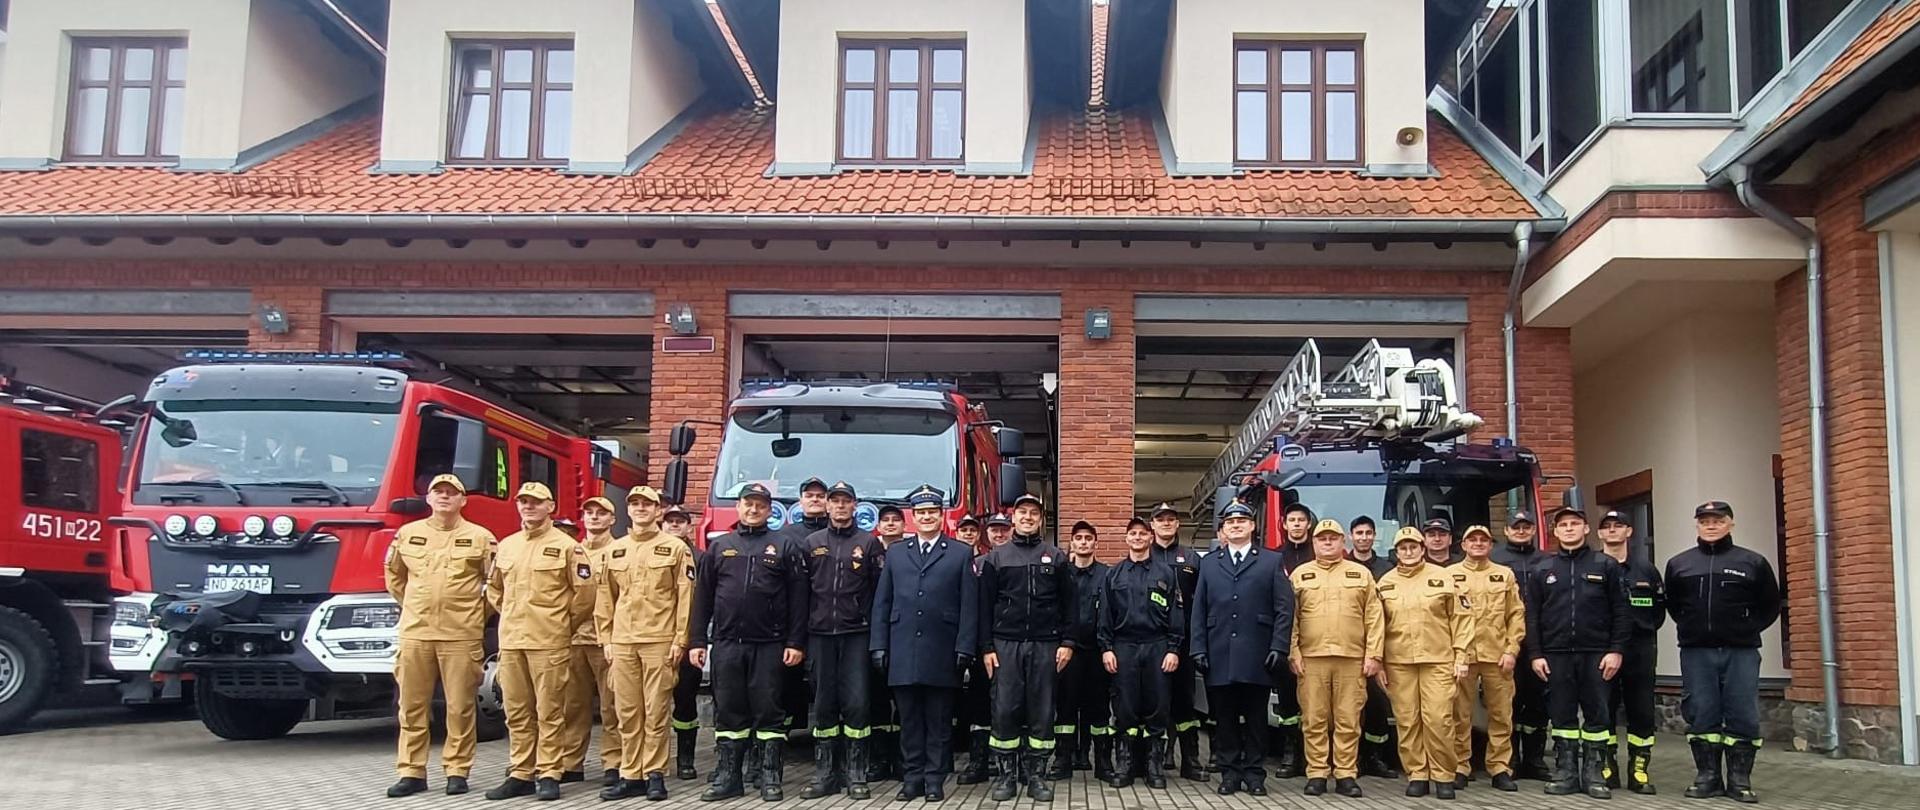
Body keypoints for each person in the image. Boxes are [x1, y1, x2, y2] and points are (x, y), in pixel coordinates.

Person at [689, 483, 809, 802]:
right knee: (729, 712)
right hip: (727, 643)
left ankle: (770, 777)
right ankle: (730, 777)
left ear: (769, 510)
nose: (753, 510)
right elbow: (702, 599)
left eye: (760, 505)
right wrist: (697, 640)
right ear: (739, 507)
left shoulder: (784, 546)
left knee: (769, 711)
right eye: (748, 504)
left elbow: (799, 601)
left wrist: (795, 642)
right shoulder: (720, 546)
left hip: (769, 644)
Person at [384, 474, 498, 798]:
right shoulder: (408, 534)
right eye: (439, 492)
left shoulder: (480, 538)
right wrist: (412, 605)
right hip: (416, 633)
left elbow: (495, 583)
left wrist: (477, 613)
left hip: (460, 634)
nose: (445, 497)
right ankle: (411, 771)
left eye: (452, 493)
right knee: (411, 705)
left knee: (460, 707)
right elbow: (394, 576)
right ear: (429, 499)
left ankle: (457, 770)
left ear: (463, 500)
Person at [485, 482, 597, 801]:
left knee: (550, 708)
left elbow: (585, 594)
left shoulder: (567, 547)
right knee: (517, 709)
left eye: (536, 502)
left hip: (549, 640)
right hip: (512, 640)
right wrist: (508, 611)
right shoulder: (507, 545)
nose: (528, 507)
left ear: (550, 506)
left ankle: (549, 771)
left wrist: (562, 623)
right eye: (523, 502)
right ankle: (521, 771)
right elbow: (494, 587)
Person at [1664, 501, 1780, 804]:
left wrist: (1743, 628)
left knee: (1742, 714)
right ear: (1697, 525)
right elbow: (1675, 607)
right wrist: (1695, 627)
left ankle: (1740, 780)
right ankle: (1708, 777)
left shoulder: (1752, 562)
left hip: (1740, 650)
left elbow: (1770, 606)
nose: (1711, 525)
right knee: (1702, 712)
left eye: (1717, 519)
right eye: (1704, 520)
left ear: (1730, 523)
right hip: (1696, 651)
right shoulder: (1679, 564)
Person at [871, 485, 979, 802]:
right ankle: (912, 778)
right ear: (913, 517)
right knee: (909, 721)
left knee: (939, 722)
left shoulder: (960, 552)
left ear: (941, 515)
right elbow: (882, 602)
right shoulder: (896, 553)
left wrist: (965, 648)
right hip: (903, 648)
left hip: (942, 651)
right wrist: (879, 645)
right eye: (921, 513)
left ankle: (934, 779)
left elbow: (969, 607)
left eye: (932, 511)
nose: (927, 517)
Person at [1523, 506, 1629, 800]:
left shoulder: (1605, 565)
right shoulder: (1542, 569)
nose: (1569, 528)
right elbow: (1531, 616)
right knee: (1562, 716)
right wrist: (1535, 654)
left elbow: (1621, 612)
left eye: (1575, 523)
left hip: (1597, 654)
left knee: (1598, 716)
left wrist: (1616, 650)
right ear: (1555, 532)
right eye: (1563, 525)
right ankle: (1566, 772)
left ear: (1586, 529)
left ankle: (1594, 774)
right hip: (1555, 655)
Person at [596, 486, 695, 802]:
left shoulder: (675, 548)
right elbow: (605, 598)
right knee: (627, 711)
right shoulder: (615, 550)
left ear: (659, 511)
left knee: (656, 710)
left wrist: (680, 639)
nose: (640, 509)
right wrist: (606, 639)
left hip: (659, 640)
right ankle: (630, 774)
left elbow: (685, 598)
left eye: (647, 504)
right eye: (635, 504)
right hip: (623, 641)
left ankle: (654, 774)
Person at [1190, 499, 1293, 797]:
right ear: (1223, 530)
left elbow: (1284, 608)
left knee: (1257, 719)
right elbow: (1199, 609)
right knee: (1224, 720)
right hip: (1219, 652)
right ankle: (1230, 773)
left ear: (1252, 526)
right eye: (1230, 523)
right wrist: (1198, 647)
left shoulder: (1271, 561)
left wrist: (1279, 646)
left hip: (1257, 653)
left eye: (1241, 522)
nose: (1236, 526)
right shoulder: (1210, 563)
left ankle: (1255, 774)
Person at [977, 493, 1074, 802]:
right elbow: (984, 607)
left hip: (1046, 645)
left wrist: (1068, 643)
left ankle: (1036, 776)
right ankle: (1006, 776)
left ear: (1041, 519)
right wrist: (986, 647)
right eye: (1023, 512)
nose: (1028, 517)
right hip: (1006, 645)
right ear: (1014, 518)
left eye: (1034, 513)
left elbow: (1071, 606)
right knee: (1005, 709)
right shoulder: (997, 557)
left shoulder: (1056, 557)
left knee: (1042, 711)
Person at [800, 482, 887, 800]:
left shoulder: (869, 544)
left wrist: (877, 640)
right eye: (834, 501)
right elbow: (801, 596)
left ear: (854, 506)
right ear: (826, 506)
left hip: (856, 636)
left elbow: (880, 597)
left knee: (857, 706)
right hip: (820, 636)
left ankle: (856, 774)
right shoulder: (812, 543)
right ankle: (826, 774)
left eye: (845, 501)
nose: (839, 506)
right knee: (824, 706)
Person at [1290, 518, 1384, 799]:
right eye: (1322, 538)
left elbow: (1374, 616)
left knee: (1348, 719)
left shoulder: (1360, 574)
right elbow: (1290, 619)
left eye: (1333, 538)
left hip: (1351, 658)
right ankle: (1317, 773)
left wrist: (1374, 655)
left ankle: (1345, 774)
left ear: (1343, 542)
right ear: (1314, 543)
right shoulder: (1300, 574)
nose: (1328, 542)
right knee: (1314, 718)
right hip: (1312, 657)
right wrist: (1293, 652)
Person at [1378, 526, 1472, 800]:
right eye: (1403, 548)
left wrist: (1461, 656)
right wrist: (1379, 663)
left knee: (1439, 719)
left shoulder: (1444, 578)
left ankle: (1443, 774)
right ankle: (1417, 774)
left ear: (1422, 549)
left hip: (1438, 660)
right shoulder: (1384, 583)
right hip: (1399, 662)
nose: (1408, 552)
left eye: (1413, 547)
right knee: (1407, 721)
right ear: (1396, 553)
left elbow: (1462, 620)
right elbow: (1376, 626)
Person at [1100, 516, 1183, 789]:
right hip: (1124, 647)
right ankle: (1125, 765)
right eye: (1132, 533)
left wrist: (1173, 649)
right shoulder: (1114, 574)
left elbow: (1176, 614)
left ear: (1150, 538)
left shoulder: (1165, 574)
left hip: (1157, 645)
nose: (1137, 538)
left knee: (1158, 707)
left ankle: (1154, 767)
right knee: (1124, 708)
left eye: (1142, 534)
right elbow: (1105, 616)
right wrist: (1106, 649)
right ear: (1126, 539)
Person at [1450, 524, 1526, 793]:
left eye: (1484, 540)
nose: (1478, 544)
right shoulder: (1450, 576)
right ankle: (1460, 766)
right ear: (1464, 545)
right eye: (1473, 540)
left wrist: (1511, 650)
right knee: (1460, 715)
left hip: (1497, 657)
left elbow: (1515, 615)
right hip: (1463, 657)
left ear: (1491, 545)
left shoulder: (1503, 575)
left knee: (1501, 715)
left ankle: (1499, 768)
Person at [1597, 509, 1665, 794]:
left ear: (1629, 532)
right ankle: (1607, 766)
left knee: (1641, 711)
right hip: (1603, 649)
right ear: (1599, 533)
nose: (1612, 530)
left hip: (1639, 649)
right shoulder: (1594, 565)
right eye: (1607, 527)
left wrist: (1642, 631)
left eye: (1618, 525)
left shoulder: (1646, 570)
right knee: (1603, 709)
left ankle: (1639, 770)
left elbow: (1658, 611)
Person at [563, 496, 623, 788]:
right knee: (571, 706)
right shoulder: (570, 551)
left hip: (606, 640)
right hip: (573, 637)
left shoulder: (620, 551)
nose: (595, 518)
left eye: (602, 513)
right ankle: (571, 763)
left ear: (613, 519)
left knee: (612, 706)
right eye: (589, 513)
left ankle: (614, 763)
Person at [1146, 502, 1207, 782]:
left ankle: (1191, 761)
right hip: (1152, 643)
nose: (1166, 524)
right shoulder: (1144, 558)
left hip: (1183, 643)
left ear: (1177, 524)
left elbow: (1203, 604)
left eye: (1171, 519)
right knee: (1156, 702)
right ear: (1153, 525)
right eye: (1161, 520)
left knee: (1185, 703)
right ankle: (1156, 759)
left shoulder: (1193, 559)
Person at [1491, 510, 1551, 780]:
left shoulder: (1547, 561)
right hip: (1506, 644)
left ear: (1534, 530)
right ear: (1506, 531)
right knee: (1509, 704)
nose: (1521, 531)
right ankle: (1511, 758)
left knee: (1538, 703)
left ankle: (1536, 760)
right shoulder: (1496, 561)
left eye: (1526, 527)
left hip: (1540, 642)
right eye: (1516, 527)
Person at [1051, 520, 1112, 782]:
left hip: (1097, 653)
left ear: (1095, 543)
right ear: (1072, 543)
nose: (1084, 542)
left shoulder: (1108, 575)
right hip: (1069, 652)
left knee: (1099, 710)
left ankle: (1102, 763)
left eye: (1089, 538)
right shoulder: (1061, 573)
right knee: (1065, 709)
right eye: (1079, 538)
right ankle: (1063, 761)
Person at [1345, 515, 1400, 779]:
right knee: (1350, 707)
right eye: (1359, 533)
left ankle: (1375, 757)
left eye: (1368, 533)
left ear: (1374, 536)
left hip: (1381, 647)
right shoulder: (1343, 567)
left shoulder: (1388, 568)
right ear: (1351, 536)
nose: (1364, 537)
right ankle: (1351, 758)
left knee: (1378, 705)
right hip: (1350, 646)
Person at [1271, 501, 1316, 778]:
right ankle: (1291, 754)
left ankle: (1317, 758)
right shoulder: (1274, 558)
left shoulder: (1319, 554)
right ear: (1284, 525)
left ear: (1308, 524)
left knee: (1318, 704)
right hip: (1286, 638)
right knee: (1288, 702)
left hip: (1318, 639)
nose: (1297, 524)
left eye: (1302, 520)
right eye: (1292, 520)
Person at [956, 514, 1001, 786]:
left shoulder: (1015, 563)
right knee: (979, 706)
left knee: (1006, 706)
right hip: (979, 646)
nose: (998, 535)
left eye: (1002, 530)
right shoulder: (977, 565)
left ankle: (1004, 760)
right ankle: (979, 761)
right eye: (993, 530)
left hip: (1008, 645)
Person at [660, 506, 704, 782]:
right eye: (670, 521)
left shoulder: (702, 558)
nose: (674, 525)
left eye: (680, 521)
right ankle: (653, 761)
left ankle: (685, 759)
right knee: (652, 705)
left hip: (688, 641)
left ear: (689, 526)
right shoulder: (649, 552)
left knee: (685, 702)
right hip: (655, 639)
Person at [867, 504, 908, 784]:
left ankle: (903, 759)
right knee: (877, 702)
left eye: (896, 520)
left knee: (904, 703)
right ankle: (880, 758)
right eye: (886, 520)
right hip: (874, 634)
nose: (891, 524)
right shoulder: (869, 552)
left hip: (904, 635)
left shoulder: (909, 552)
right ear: (878, 525)